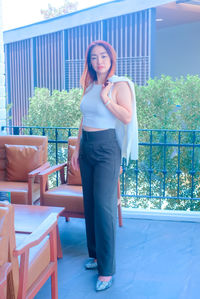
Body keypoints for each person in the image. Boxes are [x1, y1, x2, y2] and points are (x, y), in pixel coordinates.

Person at [71, 40, 138, 292]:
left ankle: (107, 270)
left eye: (103, 56)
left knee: (104, 207)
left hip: (107, 148)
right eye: (94, 57)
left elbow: (126, 116)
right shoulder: (89, 84)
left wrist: (107, 99)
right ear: (89, 61)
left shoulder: (119, 85)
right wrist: (77, 148)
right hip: (87, 146)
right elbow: (84, 118)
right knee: (90, 203)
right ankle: (96, 255)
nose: (99, 61)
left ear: (111, 58)